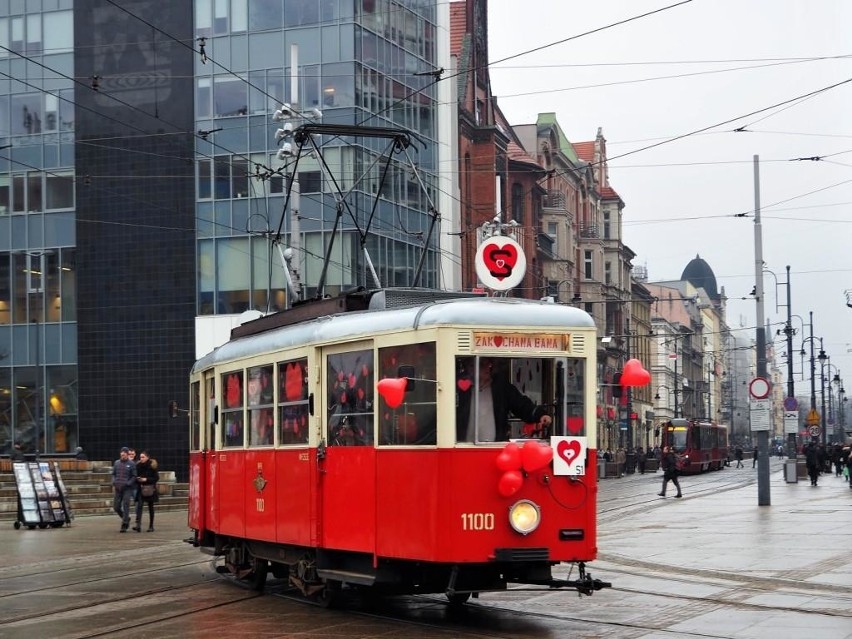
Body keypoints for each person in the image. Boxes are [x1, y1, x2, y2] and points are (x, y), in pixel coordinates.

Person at [456, 357, 551, 442]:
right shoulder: (459, 388)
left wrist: (540, 415)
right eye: (482, 364)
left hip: (495, 446)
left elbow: (521, 405)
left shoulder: (501, 387)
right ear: (471, 368)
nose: (488, 368)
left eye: (489, 364)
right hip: (464, 447)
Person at [111, 447, 137, 532]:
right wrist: (114, 481)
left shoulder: (132, 464)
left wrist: (128, 483)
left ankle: (124, 524)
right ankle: (126, 518)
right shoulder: (116, 463)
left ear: (127, 454)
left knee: (126, 505)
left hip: (127, 489)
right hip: (118, 488)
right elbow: (113, 474)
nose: (122, 456)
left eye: (124, 455)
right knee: (116, 507)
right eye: (121, 455)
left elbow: (134, 476)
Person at [133, 451, 159, 532]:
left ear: (147, 457)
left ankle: (151, 526)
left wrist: (146, 479)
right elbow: (135, 477)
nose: (141, 459)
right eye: (140, 457)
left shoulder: (152, 466)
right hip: (141, 488)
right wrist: (138, 479)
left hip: (150, 488)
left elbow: (156, 478)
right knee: (139, 506)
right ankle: (138, 525)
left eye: (143, 457)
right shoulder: (138, 466)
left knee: (150, 507)